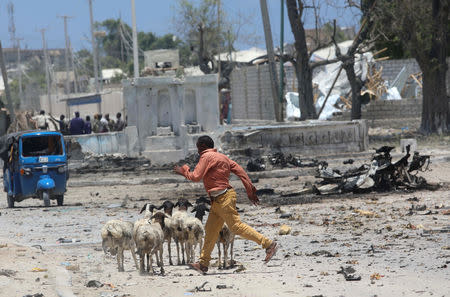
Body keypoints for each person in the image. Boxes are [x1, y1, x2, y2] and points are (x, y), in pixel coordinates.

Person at [174, 135, 278, 274]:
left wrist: (185, 171)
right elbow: (240, 171)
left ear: (203, 146)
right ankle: (203, 264)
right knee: (210, 230)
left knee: (236, 227)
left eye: (198, 147)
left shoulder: (206, 156)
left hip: (223, 198)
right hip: (219, 199)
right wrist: (250, 189)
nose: (198, 150)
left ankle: (269, 244)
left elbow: (196, 176)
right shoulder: (223, 157)